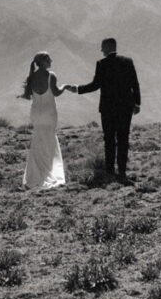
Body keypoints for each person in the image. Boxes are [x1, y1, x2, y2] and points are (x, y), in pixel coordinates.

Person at [66, 37, 140, 184]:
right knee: (123, 139)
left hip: (108, 108)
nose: (101, 50)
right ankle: (122, 173)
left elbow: (95, 85)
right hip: (125, 107)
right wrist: (137, 103)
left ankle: (109, 173)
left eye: (102, 47)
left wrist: (78, 89)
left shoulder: (102, 64)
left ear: (107, 47)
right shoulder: (128, 61)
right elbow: (134, 83)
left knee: (109, 140)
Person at [19, 51, 67, 190]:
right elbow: (56, 93)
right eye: (49, 59)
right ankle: (51, 170)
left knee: (38, 139)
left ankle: (35, 174)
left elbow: (28, 96)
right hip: (49, 112)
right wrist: (65, 86)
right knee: (50, 139)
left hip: (36, 113)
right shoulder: (51, 75)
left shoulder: (31, 77)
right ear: (44, 62)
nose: (51, 61)